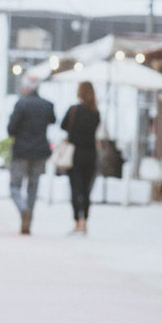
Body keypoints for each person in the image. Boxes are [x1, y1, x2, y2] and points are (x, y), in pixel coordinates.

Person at [6, 76, 55, 234]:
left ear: (26, 87)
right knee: (33, 186)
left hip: (21, 151)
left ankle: (23, 209)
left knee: (15, 185)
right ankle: (29, 217)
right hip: (40, 151)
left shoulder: (21, 104)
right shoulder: (47, 105)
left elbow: (11, 129)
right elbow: (53, 120)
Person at [61, 81, 101, 235]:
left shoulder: (74, 110)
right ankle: (85, 221)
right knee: (86, 190)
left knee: (75, 188)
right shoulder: (95, 112)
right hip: (90, 154)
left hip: (75, 154)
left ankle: (78, 221)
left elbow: (63, 125)